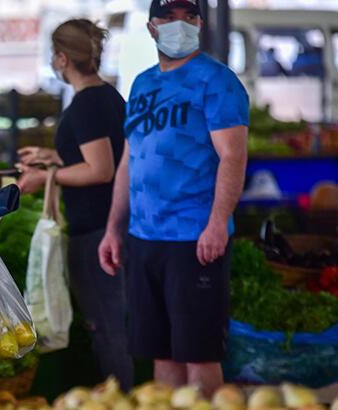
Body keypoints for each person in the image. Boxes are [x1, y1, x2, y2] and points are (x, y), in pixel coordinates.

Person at [98, 0, 249, 397]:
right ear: (151, 27)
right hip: (144, 238)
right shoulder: (142, 83)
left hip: (194, 238)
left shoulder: (217, 81)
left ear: (199, 24)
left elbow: (232, 155)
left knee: (199, 355)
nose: (179, 25)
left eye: (189, 17)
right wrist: (114, 228)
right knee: (160, 353)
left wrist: (217, 223)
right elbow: (128, 163)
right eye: (169, 17)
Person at [16, 19, 133, 390]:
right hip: (113, 223)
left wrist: (44, 177)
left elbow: (100, 169)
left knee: (108, 327)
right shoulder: (109, 97)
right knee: (113, 324)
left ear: (62, 58)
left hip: (98, 230)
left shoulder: (86, 106)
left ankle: (123, 396)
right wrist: (53, 156)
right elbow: (97, 155)